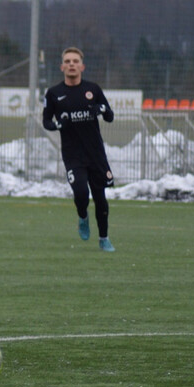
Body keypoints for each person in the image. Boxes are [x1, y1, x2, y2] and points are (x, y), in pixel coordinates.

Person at [41, 47, 116, 252]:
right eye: (68, 61)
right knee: (81, 193)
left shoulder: (93, 89)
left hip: (96, 154)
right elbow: (46, 120)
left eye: (75, 61)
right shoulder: (54, 94)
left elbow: (110, 116)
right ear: (62, 66)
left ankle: (104, 239)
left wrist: (102, 109)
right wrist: (57, 125)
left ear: (82, 66)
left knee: (100, 198)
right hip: (73, 155)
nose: (71, 64)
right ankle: (82, 216)